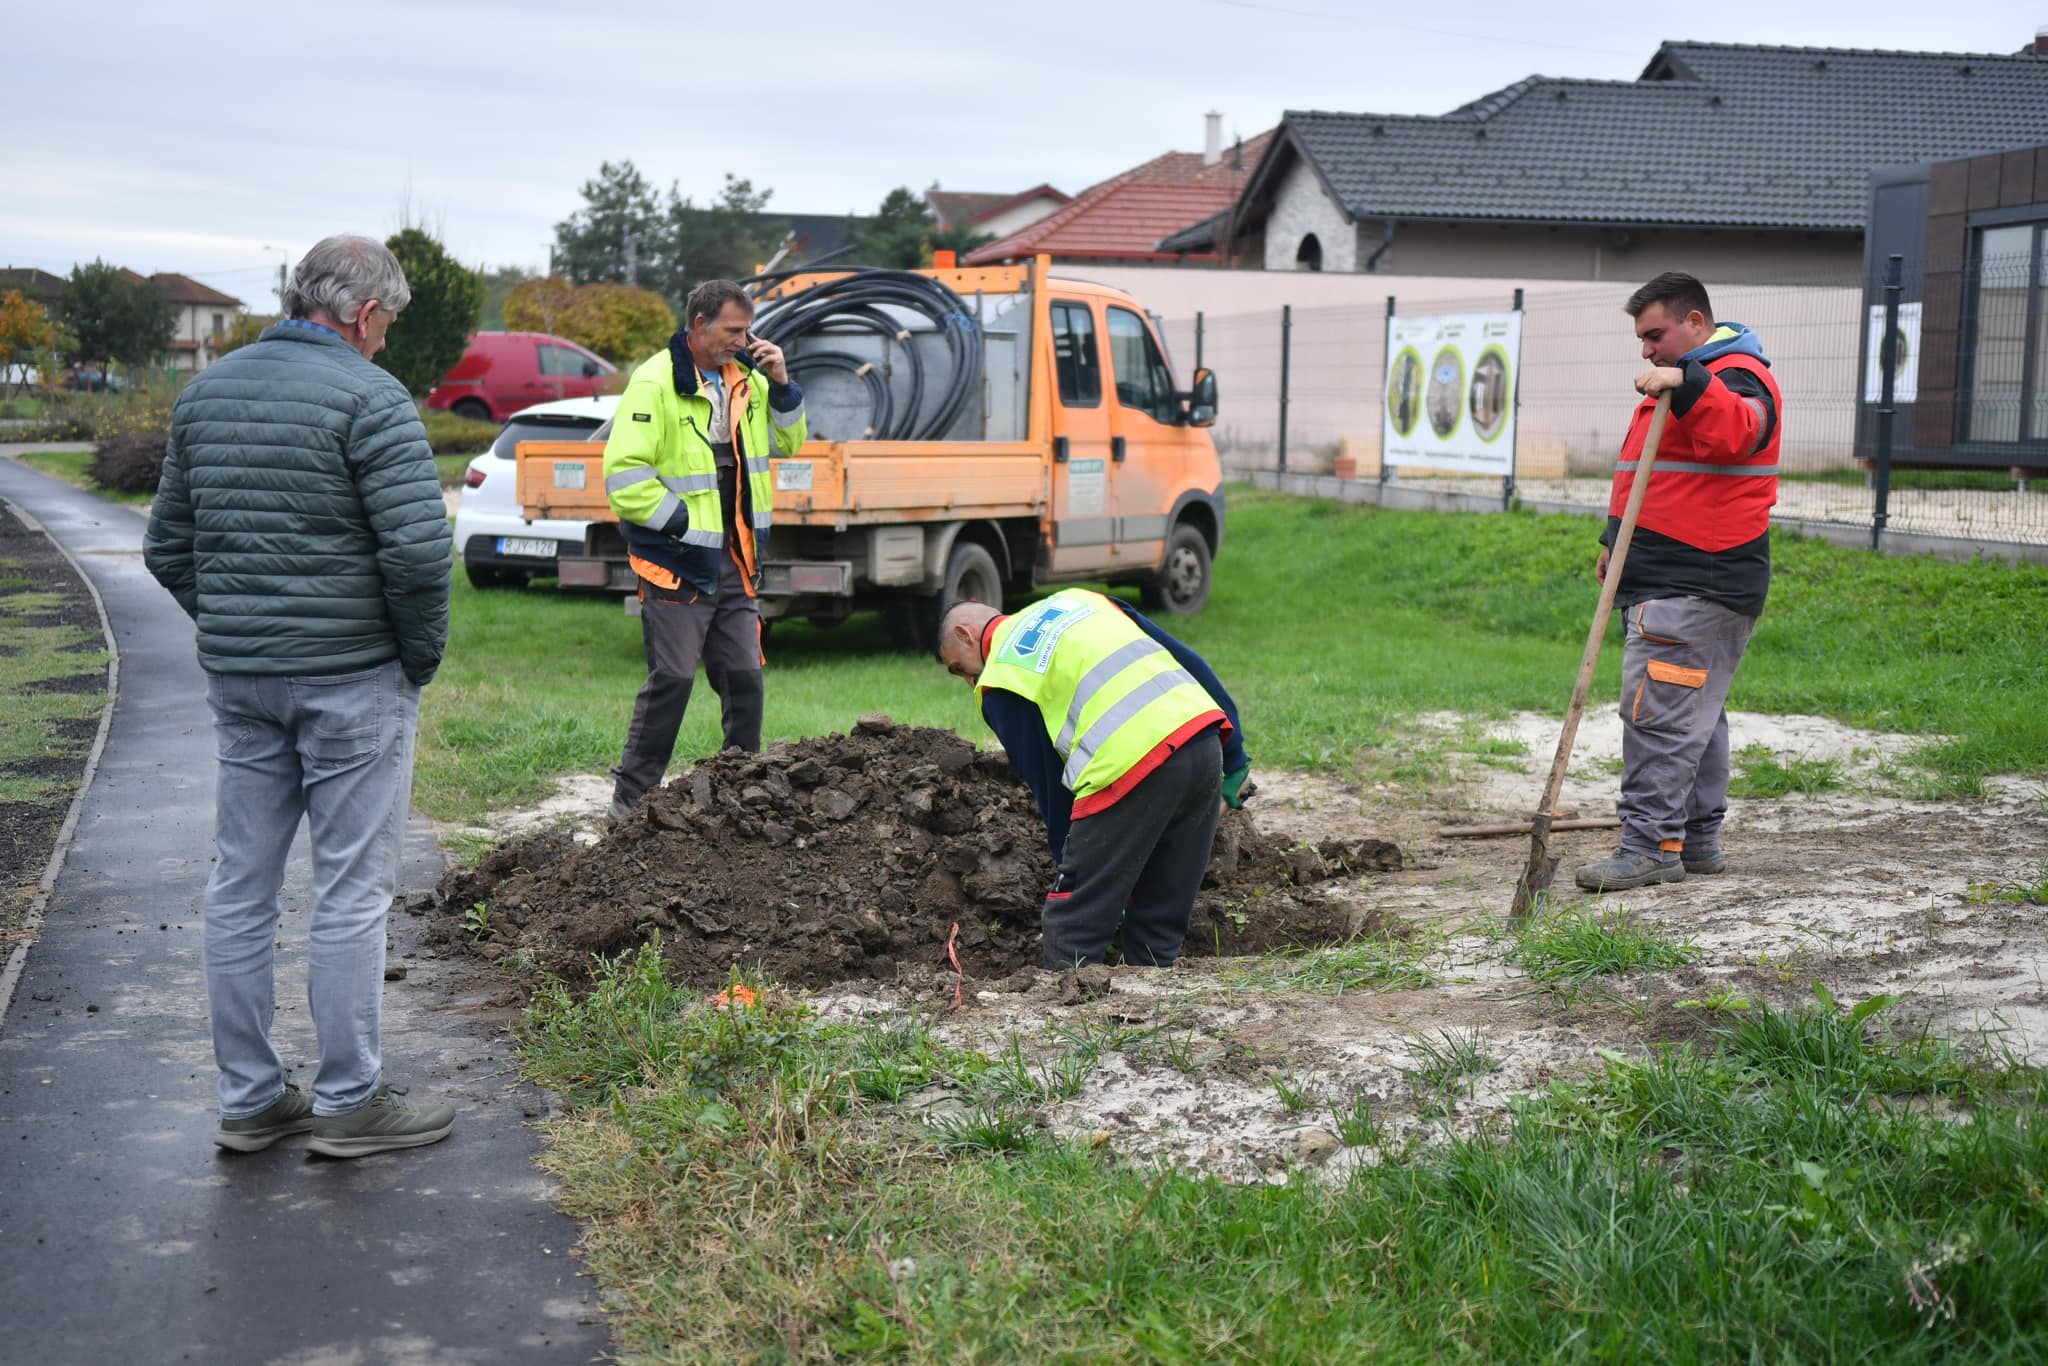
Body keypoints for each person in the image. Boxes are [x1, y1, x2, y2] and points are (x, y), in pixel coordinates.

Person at [143, 234, 455, 1157]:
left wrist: (238, 624)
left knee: (240, 883)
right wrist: (417, 659)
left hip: (243, 682)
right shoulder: (370, 397)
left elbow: (168, 548)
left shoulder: (209, 391)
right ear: (362, 314)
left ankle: (250, 1099)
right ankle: (350, 1102)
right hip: (354, 679)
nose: (388, 342)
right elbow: (415, 556)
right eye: (388, 324)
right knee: (352, 890)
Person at [1576, 271, 1781, 892]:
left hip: (1697, 582)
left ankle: (1648, 848)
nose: (1647, 350)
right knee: (1696, 713)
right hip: (1674, 576)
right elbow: (1654, 475)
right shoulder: (1685, 384)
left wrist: (1687, 379)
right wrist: (1618, 542)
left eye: (1655, 335)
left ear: (1696, 323)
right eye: (1641, 339)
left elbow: (1740, 433)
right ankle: (1695, 842)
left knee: (1660, 717)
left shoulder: (1734, 376)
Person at [938, 588, 1251, 968]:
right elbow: (1188, 662)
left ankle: (1072, 1015)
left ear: (965, 635)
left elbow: (1049, 784)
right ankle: (1156, 1006)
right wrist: (1234, 759)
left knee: (1074, 925)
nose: (970, 681)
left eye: (959, 669)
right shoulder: (1082, 600)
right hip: (1201, 744)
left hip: (1128, 767)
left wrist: (1075, 869)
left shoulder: (1001, 679)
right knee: (1158, 917)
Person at [604, 279, 808, 820]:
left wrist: (783, 383)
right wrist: (689, 529)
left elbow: (790, 441)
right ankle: (631, 801)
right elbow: (626, 480)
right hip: (674, 562)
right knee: (671, 682)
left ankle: (741, 791)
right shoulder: (653, 383)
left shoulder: (752, 380)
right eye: (732, 330)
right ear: (698, 325)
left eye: (747, 330)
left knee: (745, 679)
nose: (743, 341)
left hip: (736, 563)